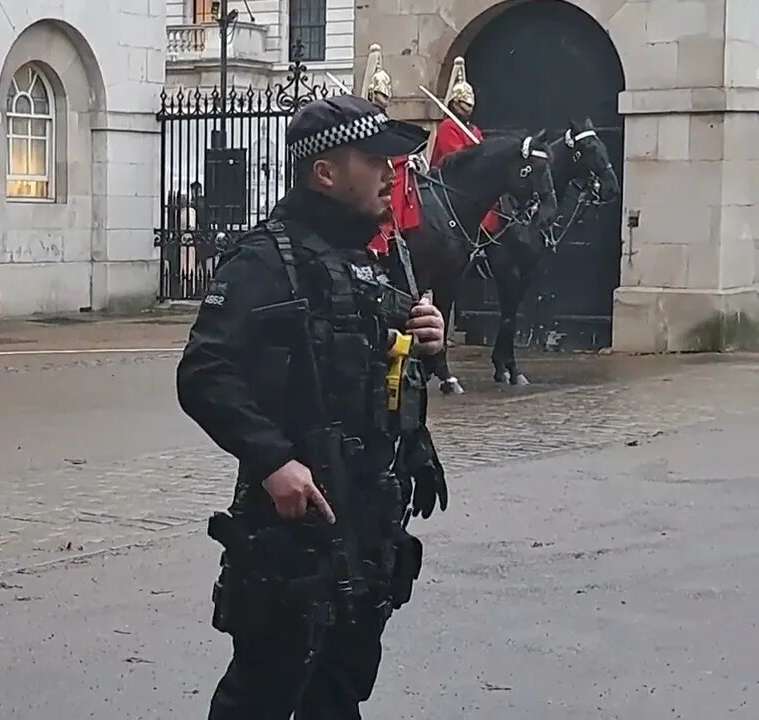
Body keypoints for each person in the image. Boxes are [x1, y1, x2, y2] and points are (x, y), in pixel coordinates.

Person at [176, 94, 450, 720]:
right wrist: (273, 461)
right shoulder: (264, 262)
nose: (391, 172)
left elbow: (377, 368)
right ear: (325, 173)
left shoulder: (375, 258)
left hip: (367, 526)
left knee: (339, 693)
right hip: (292, 532)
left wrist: (425, 342)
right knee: (263, 695)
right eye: (375, 158)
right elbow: (204, 372)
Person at [357, 44, 424, 258]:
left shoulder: (385, 121)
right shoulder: (365, 122)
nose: (384, 100)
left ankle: (398, 233)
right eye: (379, 94)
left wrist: (409, 156)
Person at [427, 56, 501, 235]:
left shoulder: (474, 130)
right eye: (463, 105)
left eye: (470, 106)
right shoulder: (448, 127)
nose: (468, 109)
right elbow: (456, 156)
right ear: (454, 104)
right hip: (451, 184)